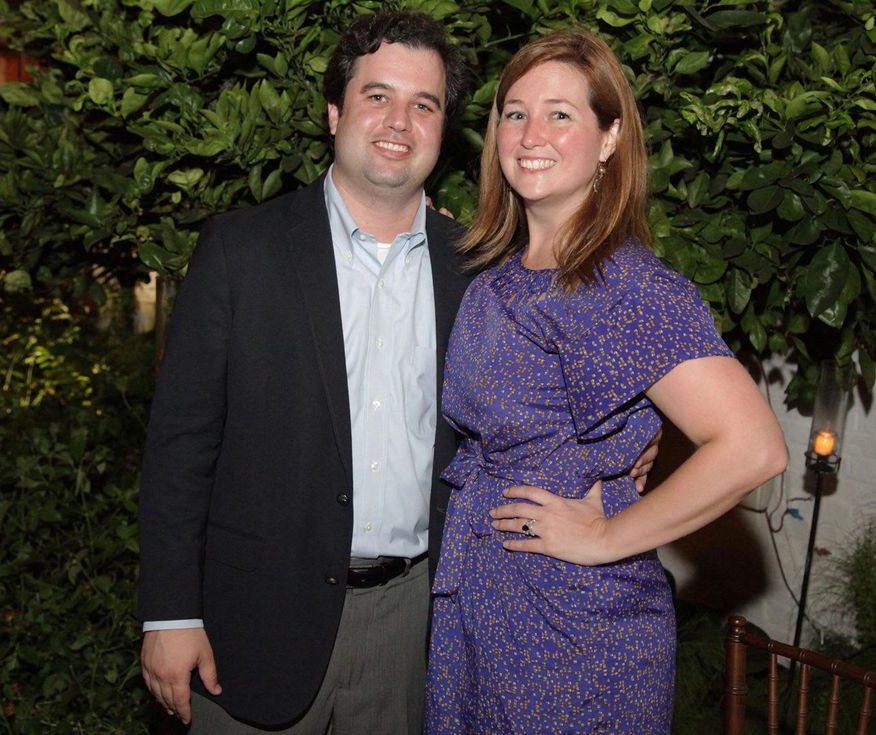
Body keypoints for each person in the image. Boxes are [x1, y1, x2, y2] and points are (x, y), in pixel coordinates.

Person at [138, 12, 657, 733]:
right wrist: (170, 610)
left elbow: (539, 407)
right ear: (333, 112)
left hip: (417, 626)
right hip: (252, 621)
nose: (399, 121)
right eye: (377, 96)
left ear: (444, 129)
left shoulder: (483, 271)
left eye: (425, 104)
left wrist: (628, 456)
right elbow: (180, 446)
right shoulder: (241, 251)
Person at [424, 28, 788, 734]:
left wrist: (608, 535)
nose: (531, 132)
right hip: (482, 615)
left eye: (561, 113)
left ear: (610, 138)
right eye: (515, 111)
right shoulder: (500, 279)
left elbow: (752, 447)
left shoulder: (622, 285)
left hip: (576, 632)